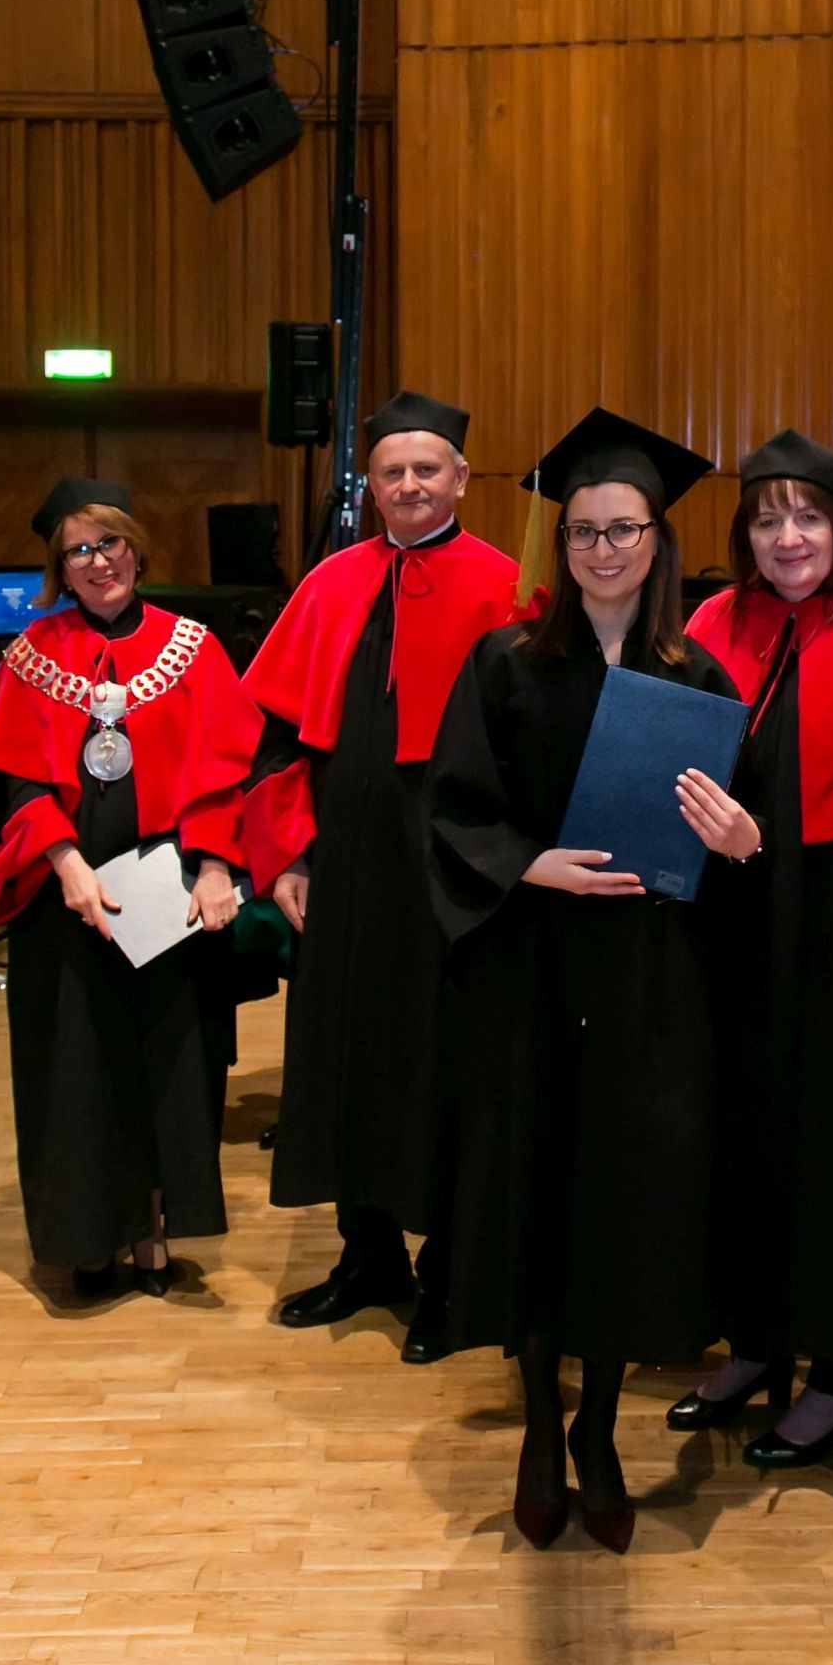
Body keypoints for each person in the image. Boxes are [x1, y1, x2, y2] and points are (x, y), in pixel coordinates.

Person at [425, 407, 752, 1553]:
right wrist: (532, 865)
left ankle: (598, 1428)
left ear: (657, 541)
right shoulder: (507, 665)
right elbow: (454, 809)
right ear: (559, 544)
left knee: (621, 1199)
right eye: (581, 532)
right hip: (532, 968)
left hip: (648, 985)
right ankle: (535, 1424)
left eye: (622, 530)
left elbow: (735, 841)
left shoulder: (696, 679)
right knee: (535, 1190)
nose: (602, 550)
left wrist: (736, 838)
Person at [668, 430, 833, 1463]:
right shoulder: (711, 623)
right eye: (766, 519)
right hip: (733, 927)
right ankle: (754, 1340)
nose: (787, 538)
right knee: (741, 1133)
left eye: (808, 517)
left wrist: (777, 848)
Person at [243, 390, 529, 1358]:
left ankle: (449, 1275)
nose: (408, 485)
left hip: (452, 869)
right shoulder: (330, 583)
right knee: (346, 1056)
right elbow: (276, 736)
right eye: (391, 472)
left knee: (445, 1065)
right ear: (370, 484)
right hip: (346, 866)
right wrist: (287, 852)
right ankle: (367, 1256)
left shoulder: (505, 585)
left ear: (460, 478)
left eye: (426, 469)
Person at [0, 478, 261, 1296]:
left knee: (168, 1064)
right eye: (78, 552)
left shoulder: (191, 646)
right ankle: (87, 1242)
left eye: (110, 543)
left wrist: (215, 865)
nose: (99, 563)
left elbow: (225, 770)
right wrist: (67, 866)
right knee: (77, 1075)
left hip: (168, 899)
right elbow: (16, 784)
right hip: (63, 899)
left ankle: (154, 1236)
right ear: (60, 569)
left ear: (136, 546)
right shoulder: (33, 654)